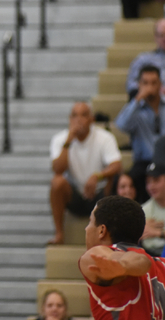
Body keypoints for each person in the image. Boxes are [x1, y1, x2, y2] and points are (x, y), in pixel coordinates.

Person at [79, 195, 165, 319]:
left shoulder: (96, 257)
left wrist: (122, 266)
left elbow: (142, 262)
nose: (86, 228)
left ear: (102, 230)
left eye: (90, 221)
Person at [49, 102, 122, 245]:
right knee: (57, 182)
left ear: (92, 119)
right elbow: (58, 169)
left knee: (116, 178)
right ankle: (59, 234)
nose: (79, 119)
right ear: (69, 119)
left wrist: (97, 176)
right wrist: (68, 141)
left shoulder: (104, 137)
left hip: (101, 194)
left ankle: (114, 237)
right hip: (76, 194)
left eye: (84, 115)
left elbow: (116, 165)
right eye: (74, 115)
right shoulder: (60, 139)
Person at [115, 64, 165, 202]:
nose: (150, 87)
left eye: (154, 83)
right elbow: (121, 125)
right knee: (130, 180)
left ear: (160, 84)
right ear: (139, 85)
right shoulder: (134, 109)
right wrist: (137, 100)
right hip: (143, 162)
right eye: (145, 83)